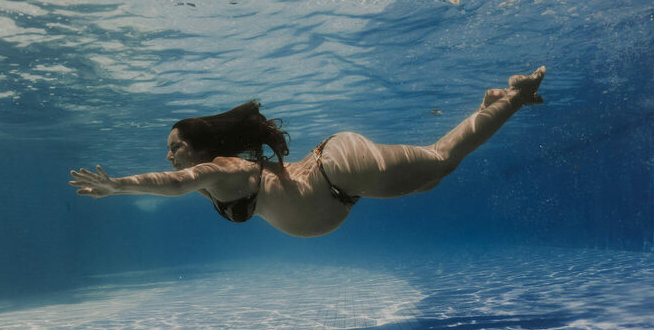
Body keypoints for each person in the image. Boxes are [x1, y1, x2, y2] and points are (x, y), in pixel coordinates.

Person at [69, 66, 545, 237]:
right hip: (336, 170)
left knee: (438, 163)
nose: (169, 157)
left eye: (175, 148)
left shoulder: (217, 170)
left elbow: (173, 184)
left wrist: (119, 185)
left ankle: (517, 96)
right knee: (433, 174)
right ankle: (488, 107)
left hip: (336, 173)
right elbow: (179, 182)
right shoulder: (224, 172)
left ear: (199, 150)